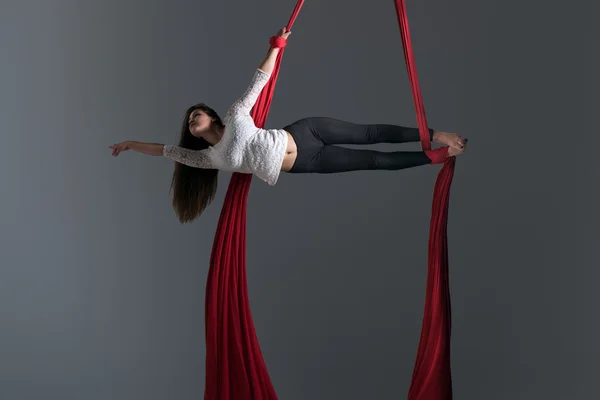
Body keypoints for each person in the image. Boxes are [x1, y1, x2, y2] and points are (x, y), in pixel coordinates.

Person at [109, 27, 467, 223]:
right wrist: (129, 144)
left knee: (370, 133)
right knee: (373, 162)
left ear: (211, 115)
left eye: (196, 114)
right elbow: (165, 151)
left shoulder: (235, 114)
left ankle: (437, 134)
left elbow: (259, 80)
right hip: (303, 163)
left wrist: (277, 46)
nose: (192, 120)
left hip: (305, 131)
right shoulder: (208, 160)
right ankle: (436, 156)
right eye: (190, 121)